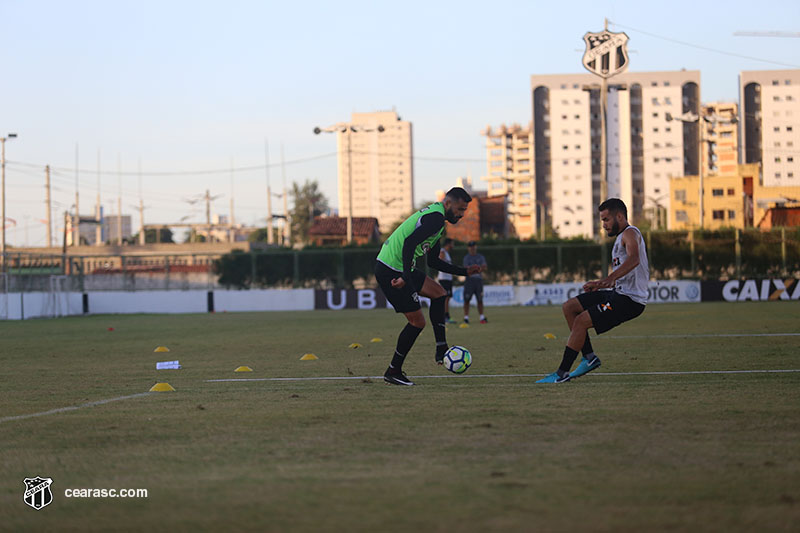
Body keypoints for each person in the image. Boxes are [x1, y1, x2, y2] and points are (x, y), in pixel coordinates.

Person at [375, 188, 483, 386]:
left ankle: (441, 347)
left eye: (464, 210)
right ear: (448, 204)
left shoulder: (439, 223)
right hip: (390, 270)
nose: (461, 215)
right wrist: (405, 278)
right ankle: (393, 371)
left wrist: (464, 271)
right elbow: (408, 244)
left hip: (401, 268)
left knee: (439, 294)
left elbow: (434, 261)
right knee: (417, 322)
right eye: (460, 210)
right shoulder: (434, 219)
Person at [536, 198, 650, 383]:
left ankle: (561, 373)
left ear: (619, 216)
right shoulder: (621, 238)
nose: (603, 225)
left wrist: (608, 279)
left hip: (630, 301)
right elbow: (627, 273)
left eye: (606, 219)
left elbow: (634, 259)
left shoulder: (630, 233)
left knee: (581, 321)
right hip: (618, 293)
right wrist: (600, 284)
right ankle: (589, 358)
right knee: (570, 307)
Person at [462, 241, 488, 324]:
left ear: (476, 247)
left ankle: (482, 317)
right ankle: (466, 317)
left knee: (480, 299)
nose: (472, 248)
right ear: (468, 248)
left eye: (473, 246)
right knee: (467, 299)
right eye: (470, 246)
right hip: (469, 281)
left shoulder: (480, 257)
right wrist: (477, 269)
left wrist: (475, 269)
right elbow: (466, 269)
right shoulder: (466, 258)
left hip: (478, 280)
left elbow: (484, 267)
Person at [436, 238, 457, 324]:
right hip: (444, 279)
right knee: (445, 298)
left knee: (447, 298)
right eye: (452, 244)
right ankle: (444, 317)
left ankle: (446, 316)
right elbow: (440, 263)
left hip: (448, 279)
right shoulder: (442, 251)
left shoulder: (447, 253)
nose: (453, 246)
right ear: (448, 244)